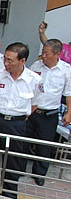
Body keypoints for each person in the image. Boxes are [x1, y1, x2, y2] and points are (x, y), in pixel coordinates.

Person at [0, 43, 42, 199]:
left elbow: (35, 104)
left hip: (17, 124)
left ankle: (8, 197)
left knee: (13, 162)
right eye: (5, 59)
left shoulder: (34, 80)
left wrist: (17, 117)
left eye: (10, 61)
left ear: (23, 60)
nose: (6, 63)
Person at [27, 39, 71, 185]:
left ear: (57, 54)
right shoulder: (36, 65)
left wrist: (69, 113)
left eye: (47, 53)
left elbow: (69, 94)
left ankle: (39, 174)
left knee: (44, 146)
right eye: (43, 52)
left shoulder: (65, 70)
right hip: (32, 111)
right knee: (23, 141)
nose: (43, 56)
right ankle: (18, 169)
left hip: (49, 114)